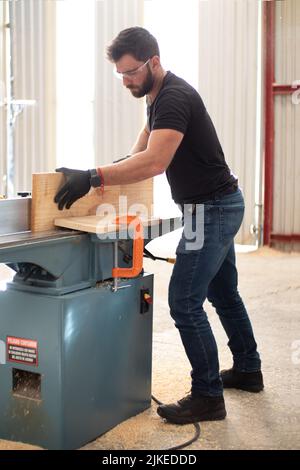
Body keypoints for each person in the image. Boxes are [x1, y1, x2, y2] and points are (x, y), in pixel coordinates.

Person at [54, 27, 263, 424]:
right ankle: (248, 369)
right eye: (120, 75)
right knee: (223, 294)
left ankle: (207, 396)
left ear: (153, 61)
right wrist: (90, 175)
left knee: (185, 302)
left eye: (130, 72)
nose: (126, 81)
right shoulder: (155, 98)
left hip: (212, 210)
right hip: (212, 206)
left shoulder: (174, 98)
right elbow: (136, 155)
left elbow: (153, 164)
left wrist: (96, 176)